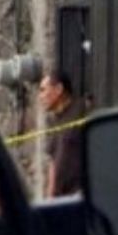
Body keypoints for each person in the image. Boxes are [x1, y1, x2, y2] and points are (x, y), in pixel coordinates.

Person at [37, 70, 83, 198]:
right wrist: (50, 197)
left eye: (43, 90)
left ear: (58, 89)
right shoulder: (53, 121)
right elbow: (53, 163)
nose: (40, 97)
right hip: (61, 198)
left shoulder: (81, 112)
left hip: (79, 194)